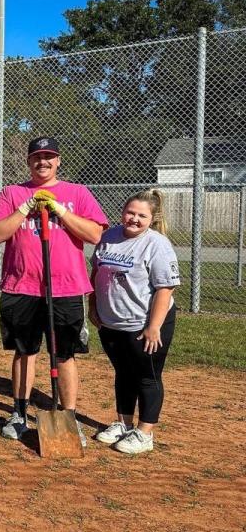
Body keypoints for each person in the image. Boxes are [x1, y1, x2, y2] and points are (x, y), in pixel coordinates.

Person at [0, 136, 107, 445]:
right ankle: (18, 413)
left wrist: (60, 212)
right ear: (29, 161)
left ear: (58, 160)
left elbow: (95, 233)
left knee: (64, 354)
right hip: (22, 286)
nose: (43, 161)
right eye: (37, 156)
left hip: (65, 289)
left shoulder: (77, 193)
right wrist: (26, 208)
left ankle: (69, 414)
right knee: (24, 351)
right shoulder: (12, 193)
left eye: (49, 156)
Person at [89, 189, 180, 455]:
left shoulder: (157, 244)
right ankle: (123, 423)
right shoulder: (109, 237)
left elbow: (166, 288)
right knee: (123, 373)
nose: (134, 219)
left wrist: (154, 327)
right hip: (112, 323)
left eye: (142, 215)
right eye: (130, 213)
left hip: (145, 324)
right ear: (122, 212)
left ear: (151, 218)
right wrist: (93, 305)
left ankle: (144, 432)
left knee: (147, 377)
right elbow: (96, 272)